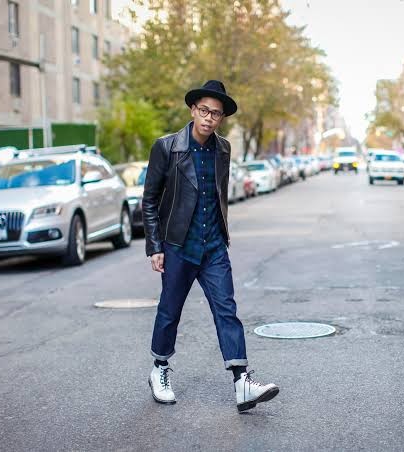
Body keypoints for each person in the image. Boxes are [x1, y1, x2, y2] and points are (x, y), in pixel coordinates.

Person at [142, 80, 279, 412]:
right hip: (178, 245)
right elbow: (149, 200)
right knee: (169, 312)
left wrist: (222, 233)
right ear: (193, 110)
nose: (209, 118)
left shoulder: (224, 149)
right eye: (204, 110)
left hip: (214, 245)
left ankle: (242, 381)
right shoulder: (167, 147)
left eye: (215, 114)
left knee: (226, 310)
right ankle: (159, 369)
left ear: (221, 118)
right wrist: (155, 246)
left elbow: (216, 195)